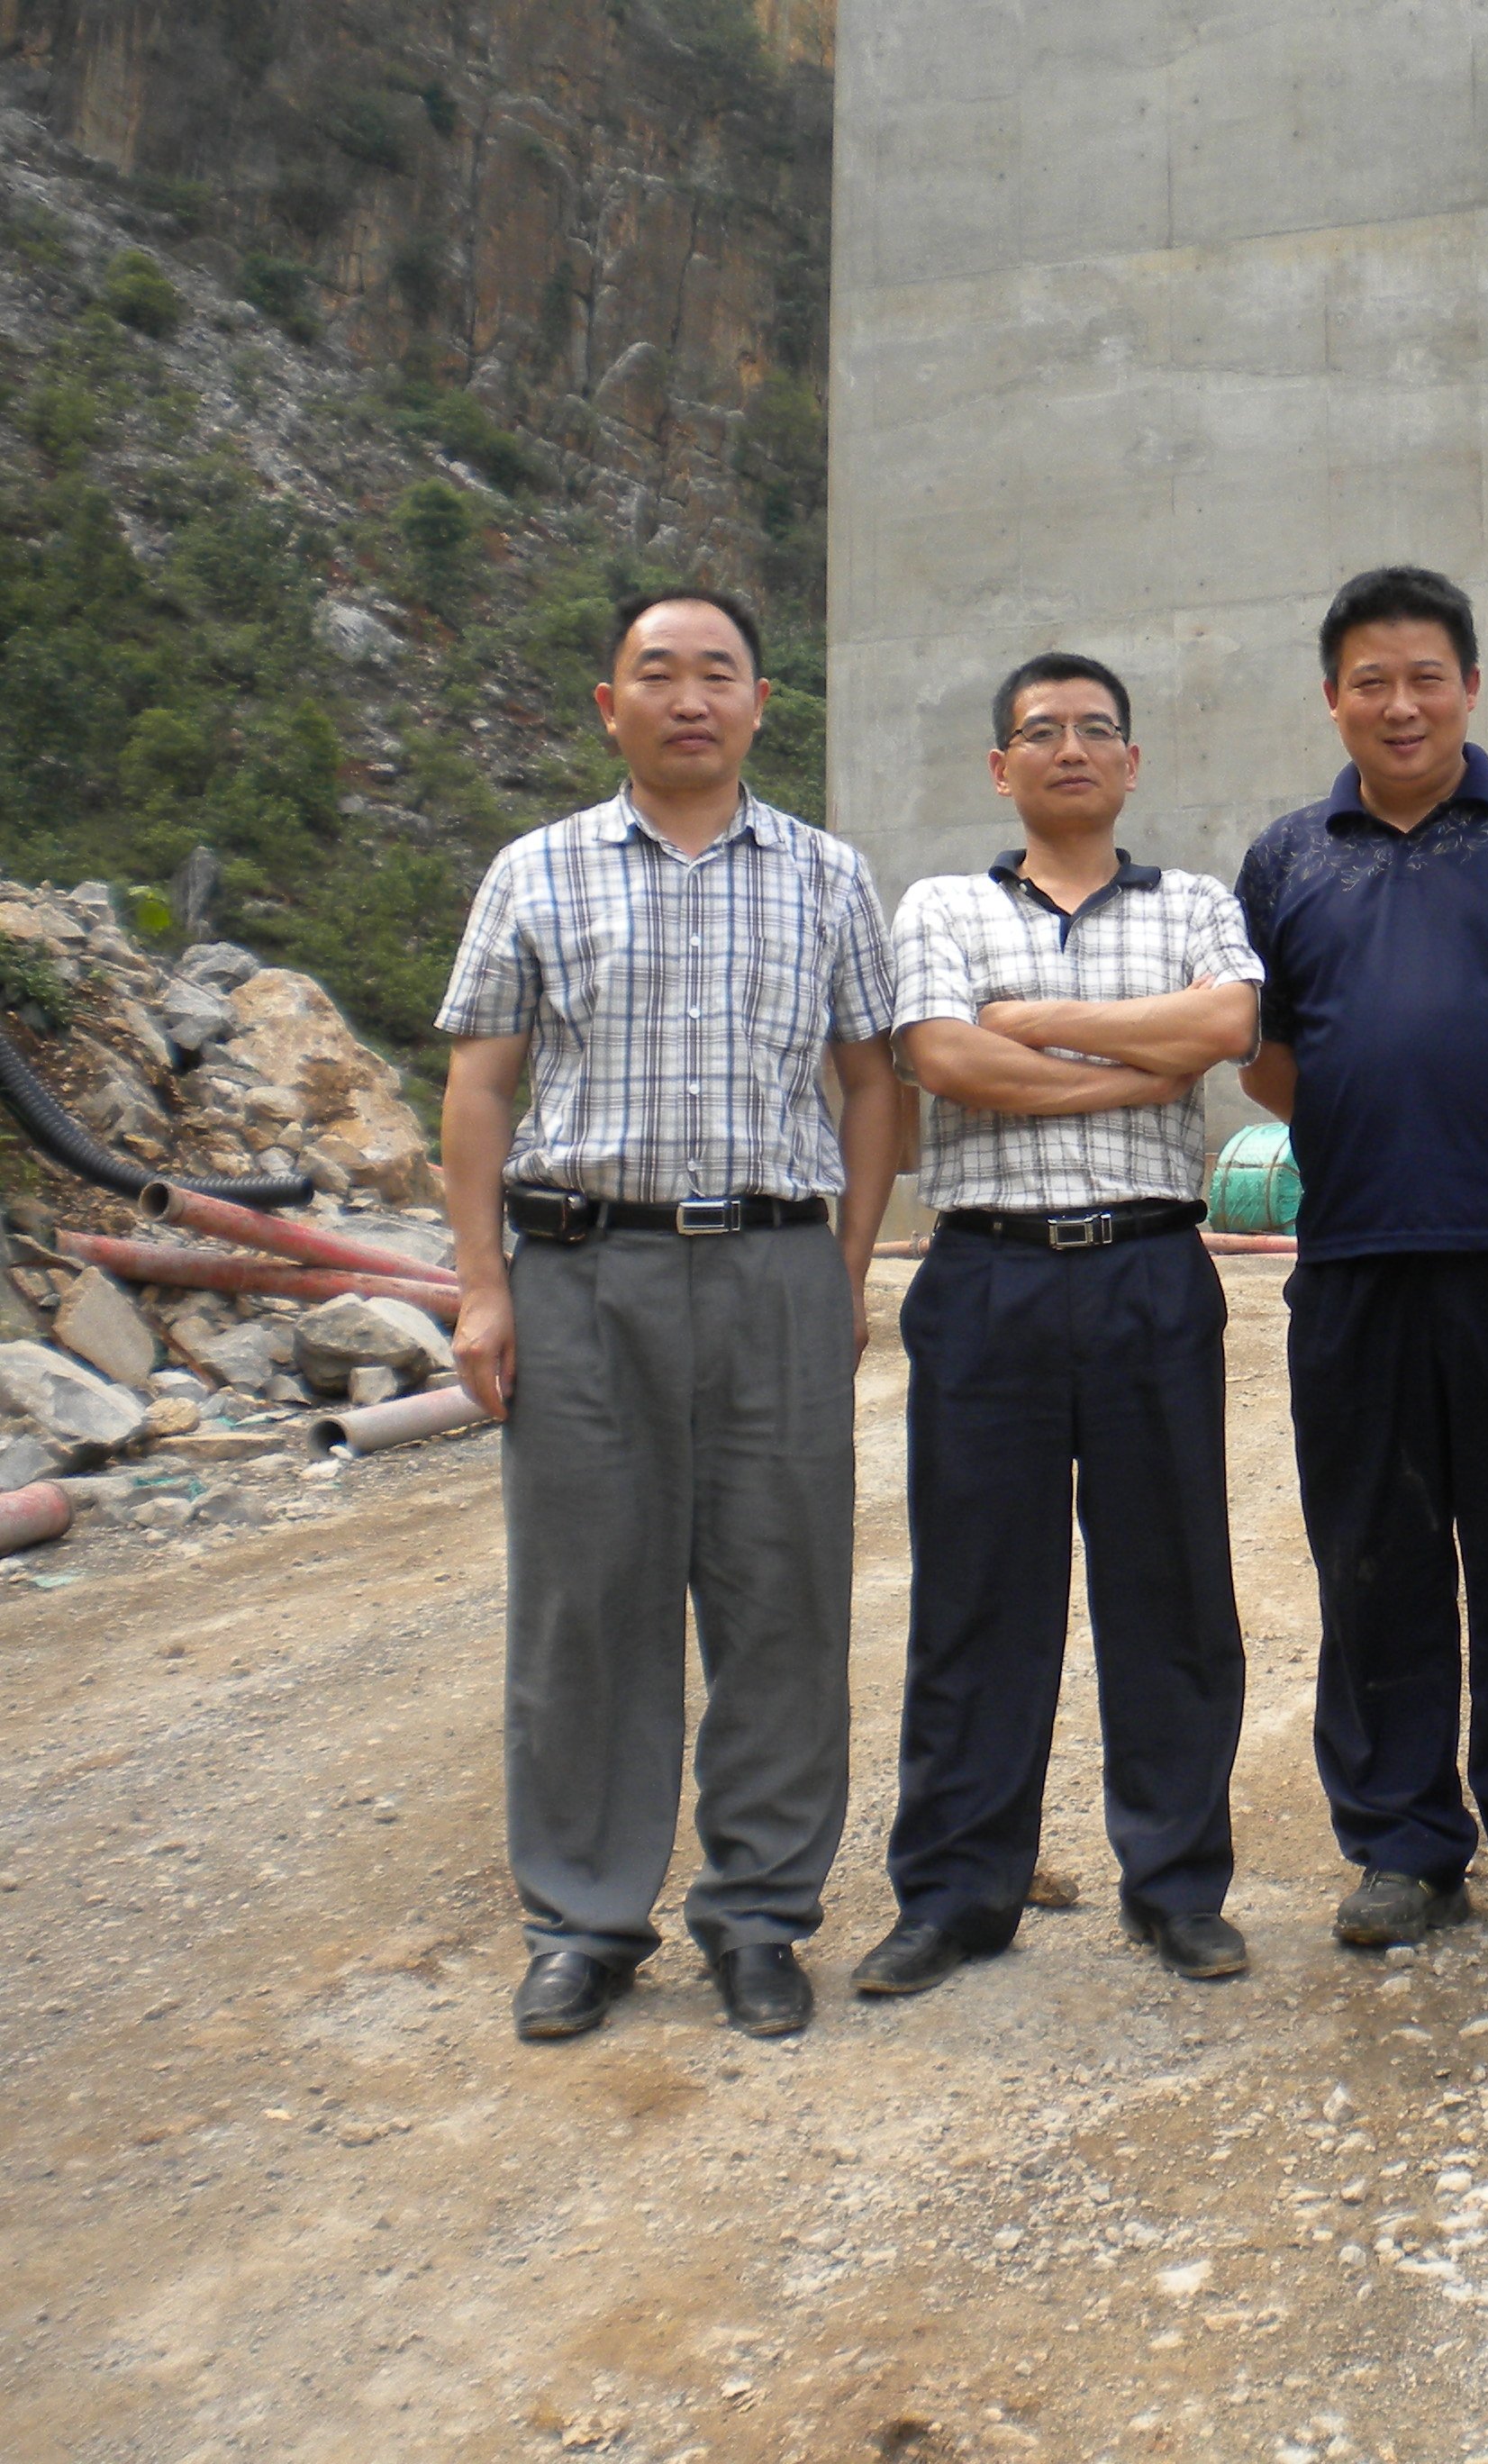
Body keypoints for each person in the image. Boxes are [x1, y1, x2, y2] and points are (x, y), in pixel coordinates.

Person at [439, 587, 902, 2044]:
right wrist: (482, 1285)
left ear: (761, 702)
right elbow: (481, 1086)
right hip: (582, 1274)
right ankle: (583, 1923)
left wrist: (845, 1267)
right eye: (658, 674)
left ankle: (760, 1918)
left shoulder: (829, 876)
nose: (689, 698)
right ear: (610, 707)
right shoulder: (536, 870)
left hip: (774, 1269)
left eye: (717, 674)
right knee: (585, 1607)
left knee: (782, 1601)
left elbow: (873, 1084)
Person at [1236, 567, 1488, 1959]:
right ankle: (1402, 1844)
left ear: (1471, 685)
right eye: (1371, 682)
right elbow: (1272, 1053)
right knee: (1372, 1558)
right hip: (1355, 1260)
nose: (1399, 706)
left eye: (1425, 678)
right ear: (1332, 697)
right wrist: (1379, 1110)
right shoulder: (1287, 859)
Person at [863, 652, 1265, 1995]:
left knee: (1173, 1591)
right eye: (1043, 731)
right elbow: (942, 1057)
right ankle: (956, 1896)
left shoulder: (1195, 902)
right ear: (1002, 767)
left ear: (1132, 762)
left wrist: (1038, 1027)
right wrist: (1135, 1068)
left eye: (1098, 729)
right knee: (978, 1598)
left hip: (1151, 1272)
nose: (1072, 748)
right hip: (988, 1281)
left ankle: (1178, 1887)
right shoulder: (940, 905)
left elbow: (1227, 1022)